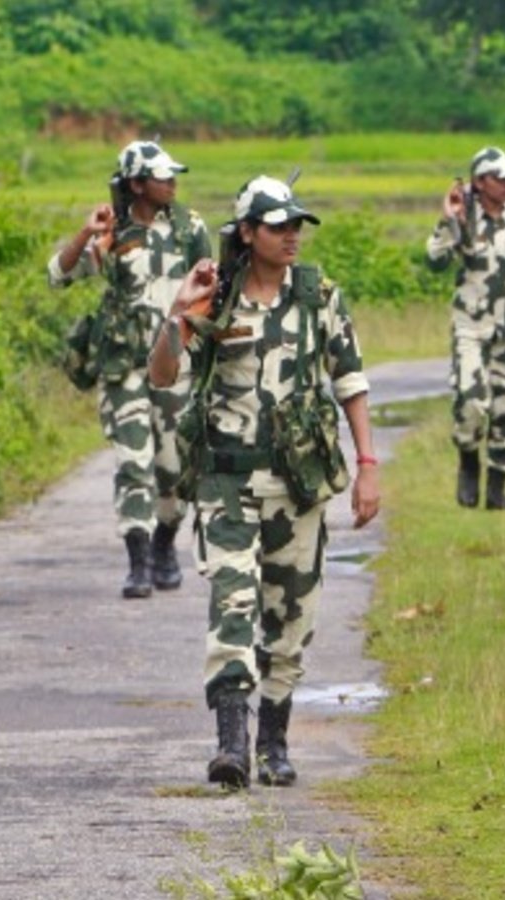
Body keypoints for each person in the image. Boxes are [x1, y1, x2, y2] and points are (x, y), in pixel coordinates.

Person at [147, 176, 380, 789]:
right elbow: (163, 372)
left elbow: (349, 381)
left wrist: (368, 466)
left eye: (296, 225)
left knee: (291, 620)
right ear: (246, 233)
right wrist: (179, 312)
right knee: (232, 606)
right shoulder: (215, 299)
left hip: (298, 487)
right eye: (277, 226)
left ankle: (274, 739)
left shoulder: (319, 296)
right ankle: (232, 746)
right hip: (227, 484)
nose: (291, 236)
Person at [48, 139, 211, 598]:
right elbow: (59, 275)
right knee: (132, 463)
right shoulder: (112, 233)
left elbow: (209, 288)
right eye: (163, 177)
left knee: (174, 467)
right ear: (138, 184)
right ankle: (138, 562)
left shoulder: (189, 228)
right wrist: (85, 234)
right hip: (124, 367)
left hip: (175, 364)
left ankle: (164, 543)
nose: (173, 184)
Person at [426, 147, 505, 510]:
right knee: (471, 401)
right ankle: (467, 461)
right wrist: (450, 220)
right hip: (471, 327)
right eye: (500, 178)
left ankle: (497, 490)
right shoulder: (462, 218)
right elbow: (434, 262)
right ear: (480, 182)